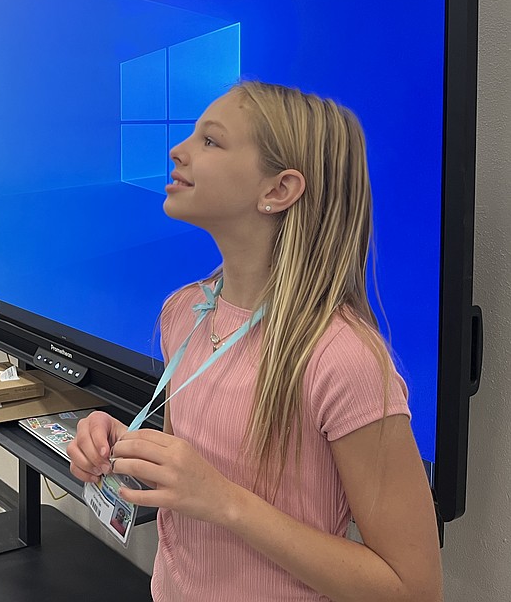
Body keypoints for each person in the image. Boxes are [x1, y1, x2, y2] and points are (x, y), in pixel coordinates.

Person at [68, 82, 442, 601]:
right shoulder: (185, 311)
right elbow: (196, 469)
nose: (178, 150)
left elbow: (414, 588)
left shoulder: (342, 360)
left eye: (211, 141)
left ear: (278, 190)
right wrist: (121, 446)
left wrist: (222, 500)